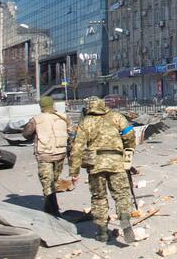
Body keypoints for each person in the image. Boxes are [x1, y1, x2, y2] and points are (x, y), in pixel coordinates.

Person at [68, 96, 136, 243]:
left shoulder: (85, 122)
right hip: (116, 162)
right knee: (122, 194)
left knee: (98, 197)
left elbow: (76, 148)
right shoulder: (117, 117)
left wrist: (74, 172)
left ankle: (102, 232)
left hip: (95, 164)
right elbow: (130, 134)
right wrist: (128, 150)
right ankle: (124, 218)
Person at [22, 96, 71, 217]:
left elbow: (26, 134)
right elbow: (72, 134)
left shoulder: (36, 119)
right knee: (53, 181)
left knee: (47, 183)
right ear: (53, 105)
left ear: (41, 106)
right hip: (60, 154)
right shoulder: (64, 117)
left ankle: (54, 212)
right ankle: (49, 209)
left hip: (45, 155)